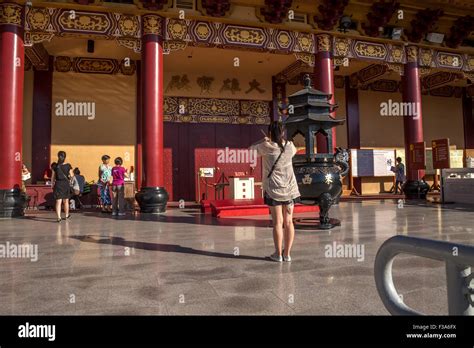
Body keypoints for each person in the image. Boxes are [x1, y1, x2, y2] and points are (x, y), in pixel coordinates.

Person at [250, 122, 301, 262]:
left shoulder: (266, 146)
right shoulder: (290, 146)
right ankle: (287, 254)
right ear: (283, 132)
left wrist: (264, 140)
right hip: (290, 190)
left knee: (278, 222)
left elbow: (250, 150)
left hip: (273, 189)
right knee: (289, 222)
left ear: (270, 133)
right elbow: (295, 151)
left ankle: (278, 254)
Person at [51, 151, 74, 222]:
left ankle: (59, 217)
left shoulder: (55, 166)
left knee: (58, 201)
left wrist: (52, 184)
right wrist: (70, 179)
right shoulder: (68, 166)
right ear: (65, 157)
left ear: (58, 156)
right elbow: (72, 175)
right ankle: (67, 215)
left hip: (58, 184)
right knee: (66, 201)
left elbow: (53, 177)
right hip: (65, 184)